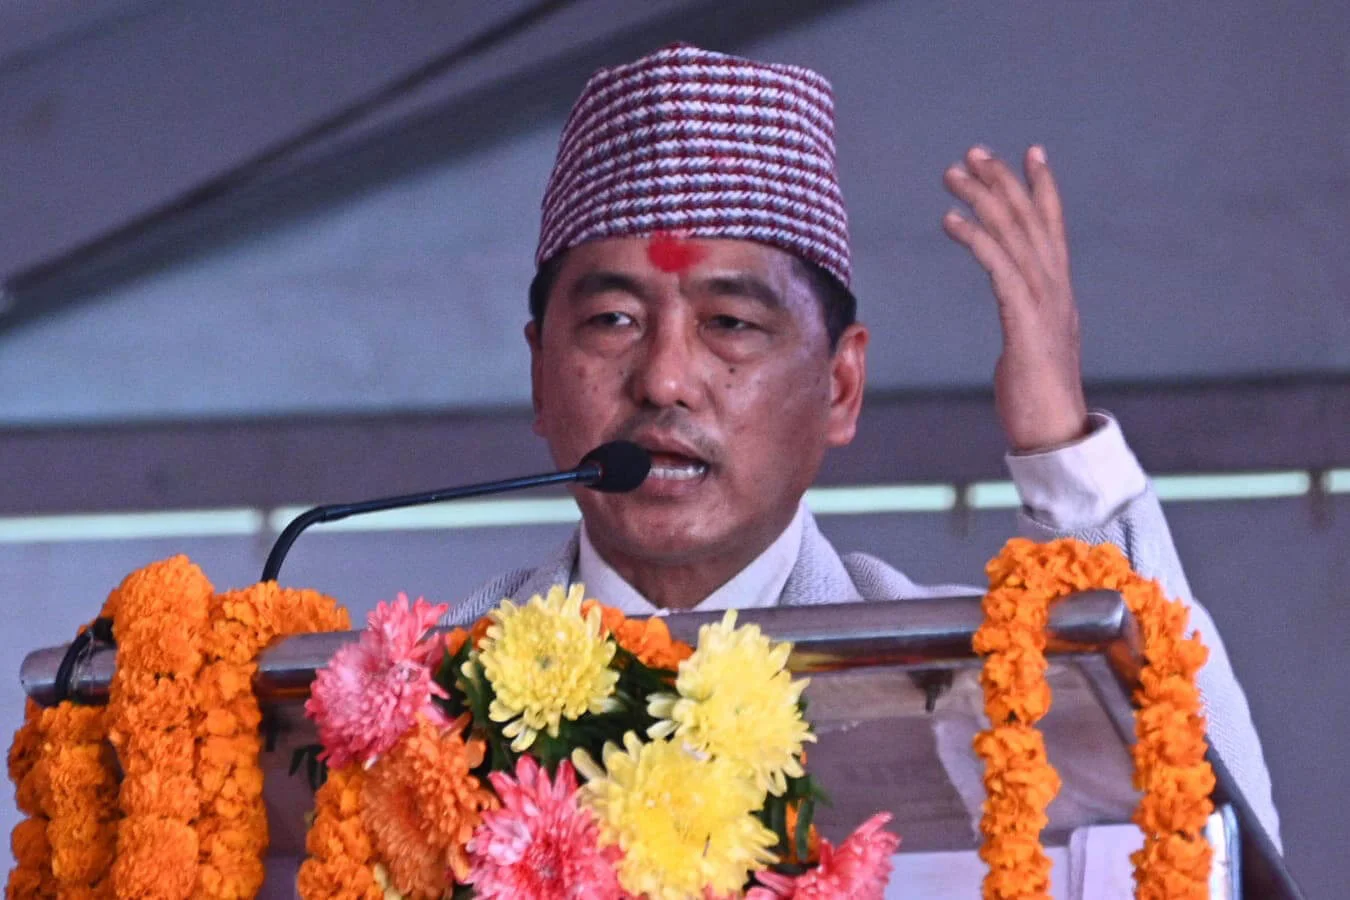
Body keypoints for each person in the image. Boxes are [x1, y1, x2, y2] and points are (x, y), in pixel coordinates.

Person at [440, 42, 1280, 848]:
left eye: (730, 323)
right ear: (540, 376)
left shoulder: (969, 680)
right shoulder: (423, 696)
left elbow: (1215, 840)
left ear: (840, 387)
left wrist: (1061, 446)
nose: (664, 379)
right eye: (613, 320)